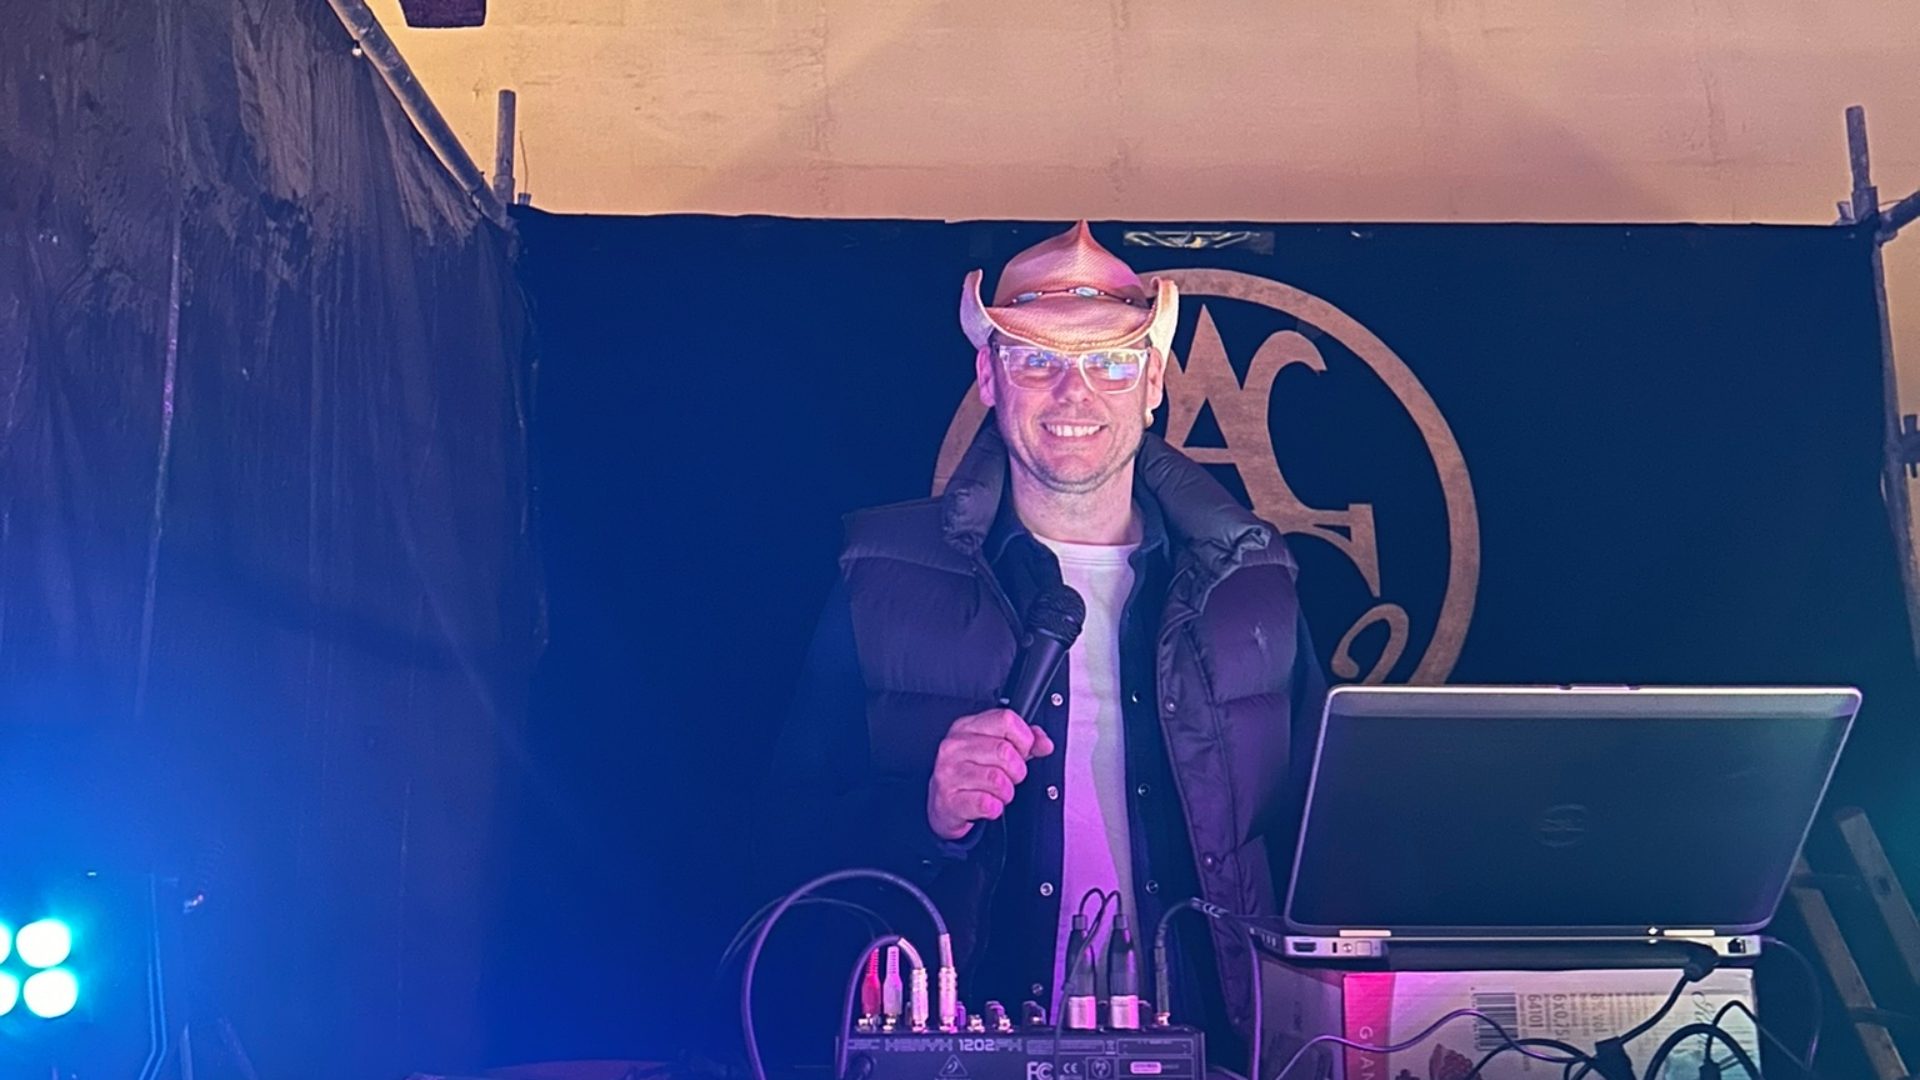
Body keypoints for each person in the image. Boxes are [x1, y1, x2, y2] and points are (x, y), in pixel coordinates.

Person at [766, 221, 1325, 1058]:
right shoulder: (877, 578)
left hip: (1215, 1053)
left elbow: (1324, 853)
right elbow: (784, 845)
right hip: (968, 1058)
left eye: (1111, 363)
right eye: (1037, 360)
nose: (1075, 394)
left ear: (1153, 383)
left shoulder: (1255, 585)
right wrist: (925, 813)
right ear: (988, 377)